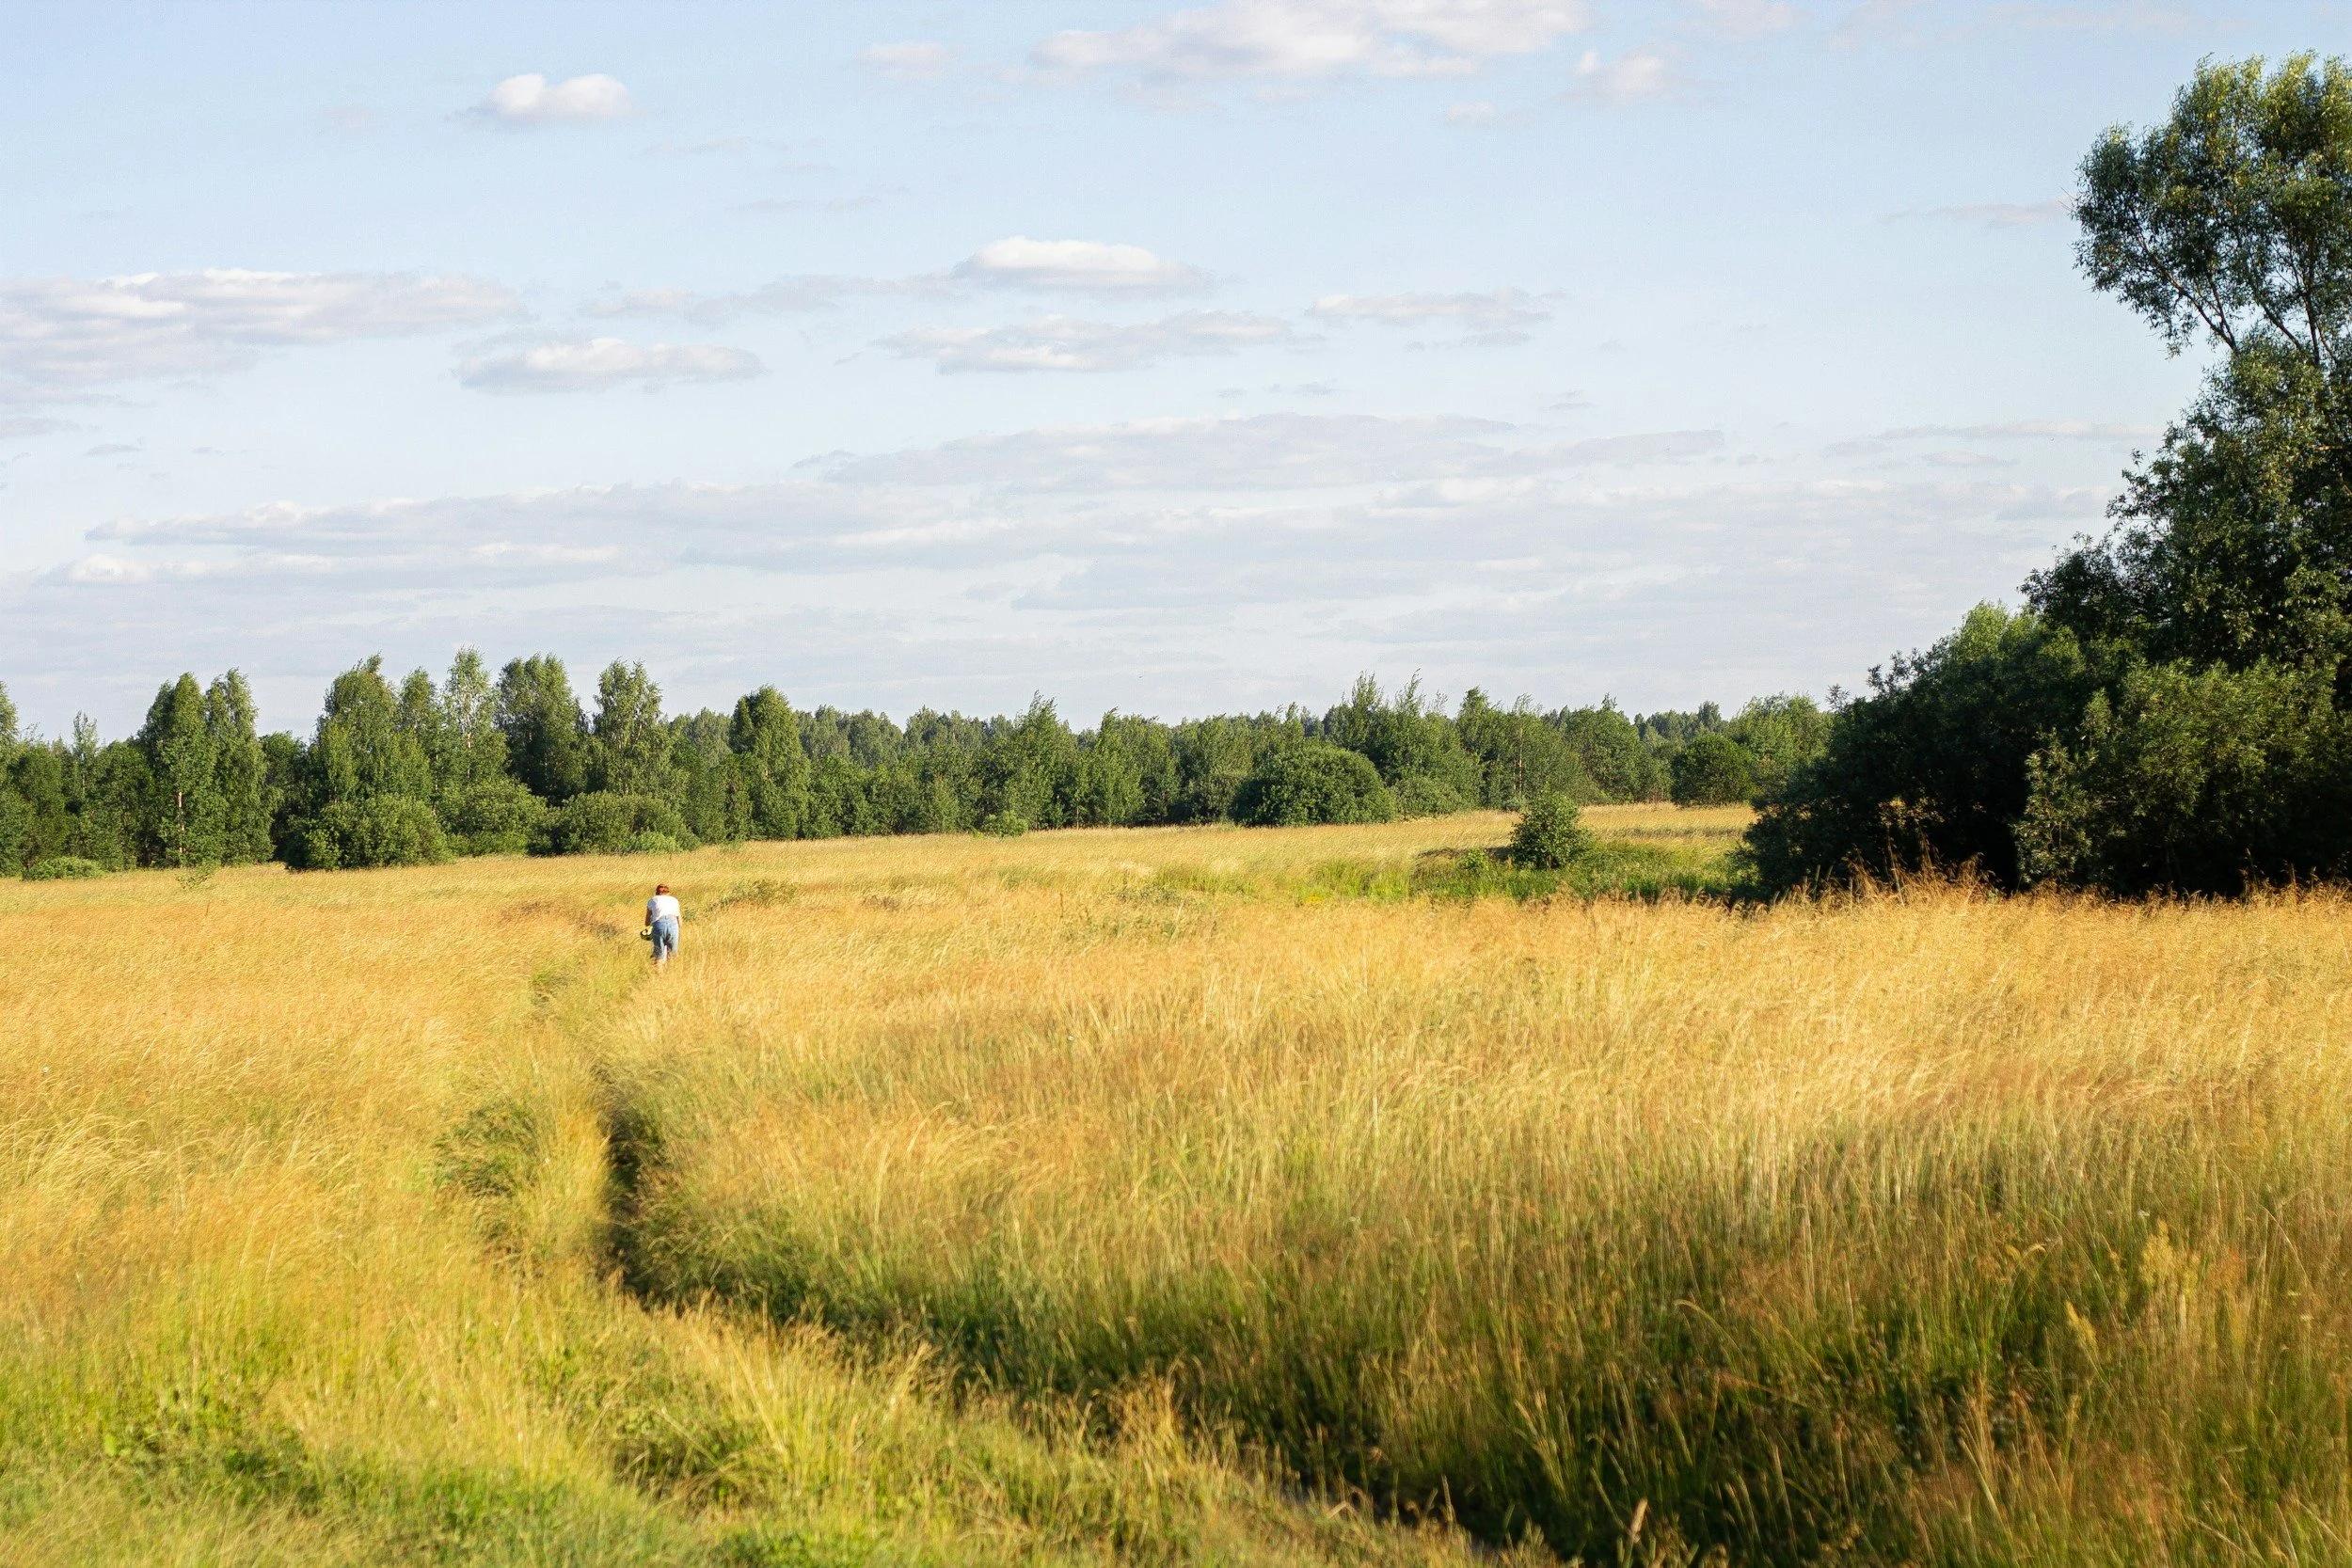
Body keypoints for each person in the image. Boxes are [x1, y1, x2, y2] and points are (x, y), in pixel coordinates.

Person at [645, 882, 681, 968]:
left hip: (658, 925)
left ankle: (658, 978)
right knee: (672, 956)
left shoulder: (653, 900)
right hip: (673, 925)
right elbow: (680, 921)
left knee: (658, 956)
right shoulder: (674, 900)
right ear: (668, 893)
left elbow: (647, 922)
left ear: (657, 892)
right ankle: (671, 977)